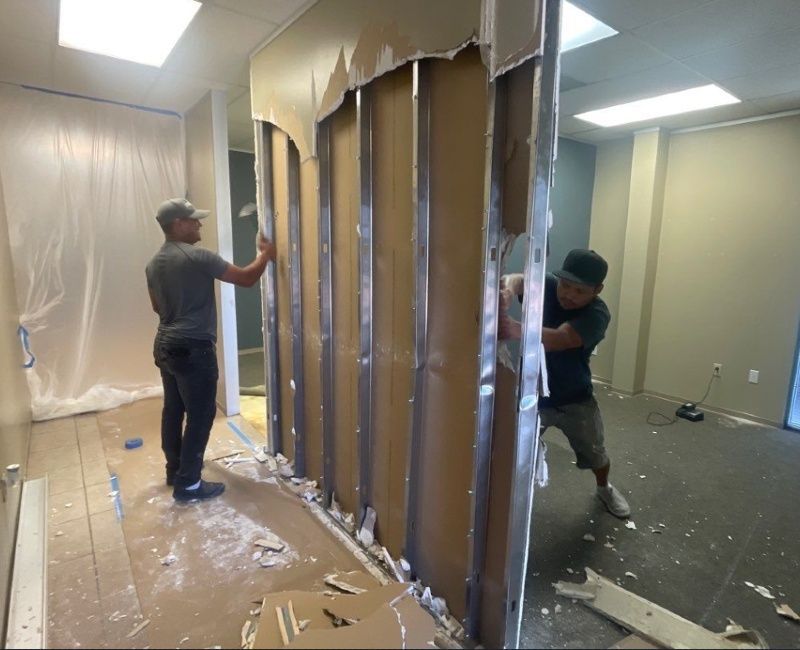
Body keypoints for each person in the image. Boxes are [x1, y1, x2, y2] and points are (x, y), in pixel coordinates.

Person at [146, 198, 275, 502]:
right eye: (194, 220)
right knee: (201, 415)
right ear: (178, 224)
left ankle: (174, 469)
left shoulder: (154, 263)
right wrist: (265, 255)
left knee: (174, 409)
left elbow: (156, 306)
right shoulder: (197, 257)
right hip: (193, 348)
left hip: (165, 344)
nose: (199, 224)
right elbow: (245, 279)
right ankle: (189, 484)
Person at [499, 248, 630, 518]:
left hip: (575, 397)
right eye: (566, 285)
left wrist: (513, 328)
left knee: (595, 452)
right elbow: (518, 278)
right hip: (532, 394)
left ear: (597, 290)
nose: (568, 294)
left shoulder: (597, 315)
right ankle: (506, 499)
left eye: (579, 291)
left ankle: (604, 488)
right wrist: (510, 289)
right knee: (513, 451)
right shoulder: (549, 285)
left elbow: (562, 339)